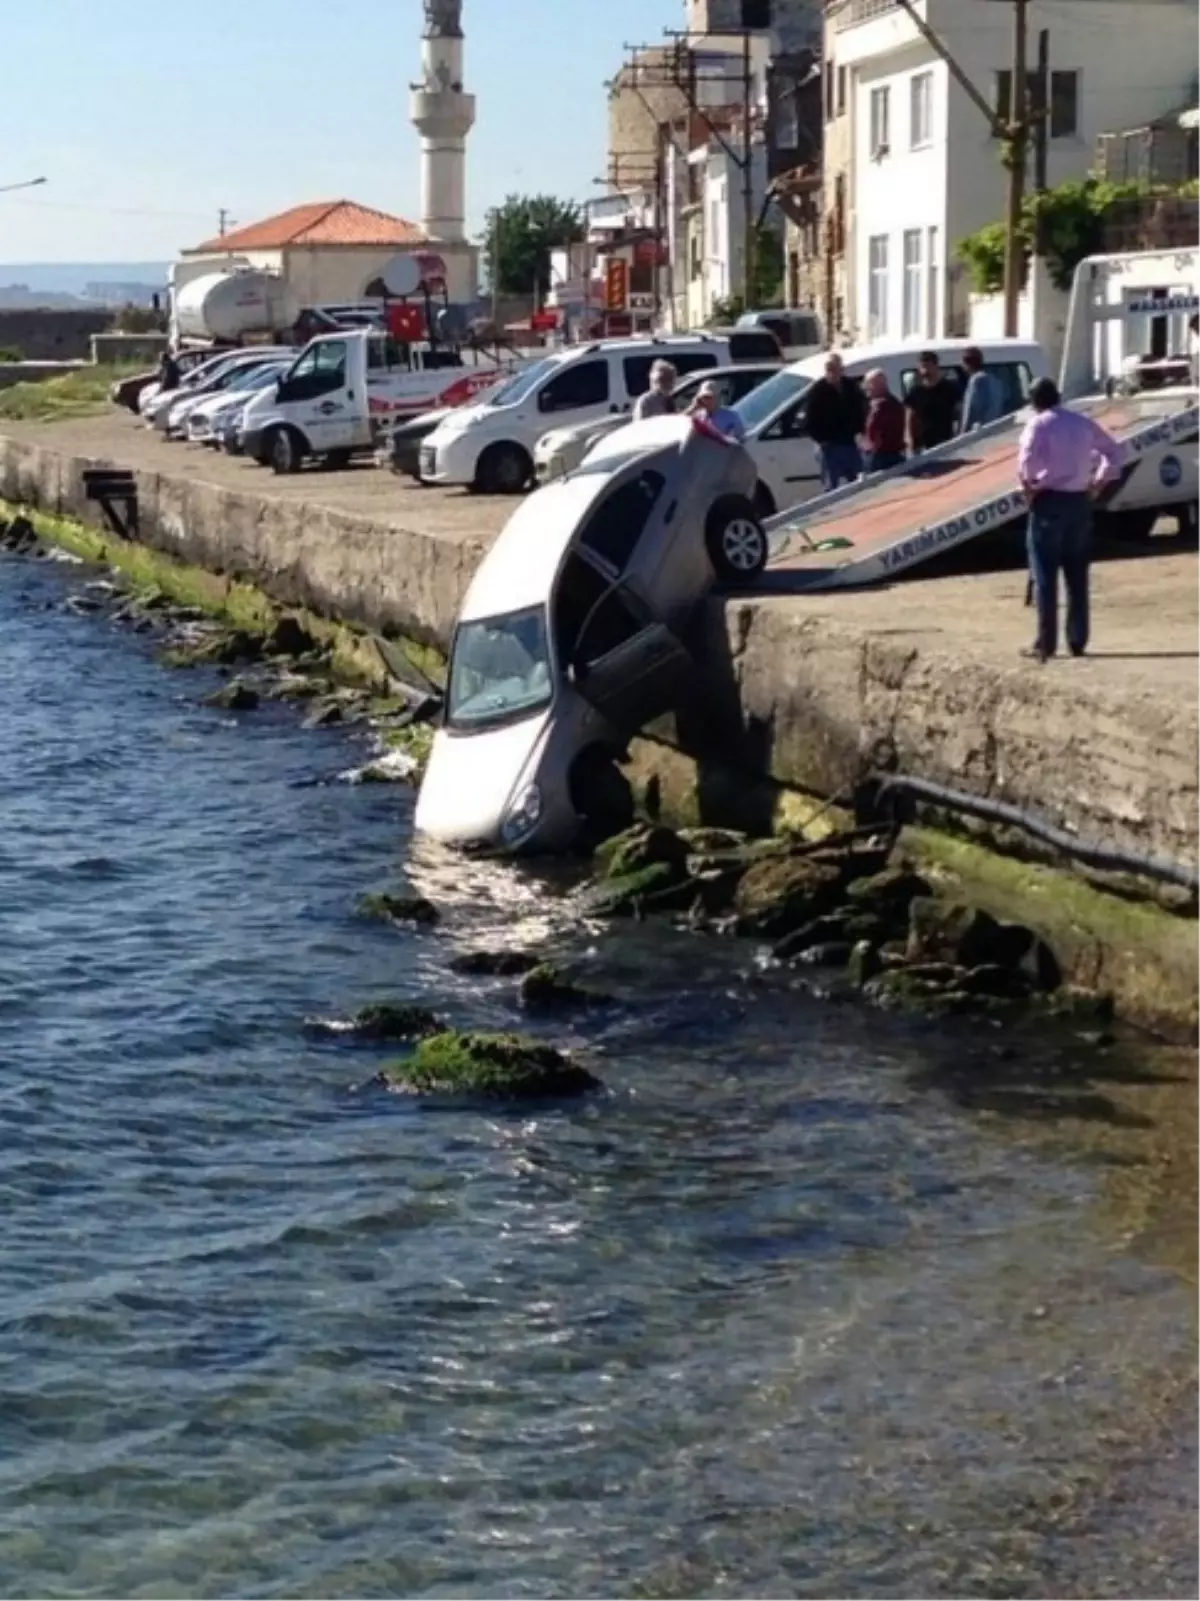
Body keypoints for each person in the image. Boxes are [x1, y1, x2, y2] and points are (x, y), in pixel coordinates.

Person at [1017, 376, 1122, 663]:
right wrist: (1098, 482)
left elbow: (1026, 467)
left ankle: (1046, 643)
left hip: (1049, 499)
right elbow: (1114, 451)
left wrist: (1030, 491)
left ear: (1034, 401)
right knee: (1077, 573)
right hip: (1078, 500)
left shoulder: (1037, 424)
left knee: (1045, 574)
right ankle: (1077, 639)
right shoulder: (1081, 422)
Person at [806, 351, 867, 491]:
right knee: (830, 486)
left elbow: (860, 410)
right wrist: (821, 440)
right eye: (829, 368)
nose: (832, 372)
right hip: (829, 447)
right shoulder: (817, 391)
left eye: (835, 368)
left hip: (850, 443)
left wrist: (860, 431)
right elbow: (810, 420)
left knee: (859, 482)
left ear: (842, 369)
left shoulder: (850, 387)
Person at [904, 350, 959, 454]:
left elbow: (960, 413)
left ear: (936, 366)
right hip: (923, 447)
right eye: (922, 367)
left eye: (928, 366)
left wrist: (959, 435)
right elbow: (909, 419)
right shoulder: (915, 392)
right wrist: (909, 440)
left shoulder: (949, 389)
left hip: (946, 443)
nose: (925, 371)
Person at [862, 368, 906, 473]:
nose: (866, 388)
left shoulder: (880, 406)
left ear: (879, 385)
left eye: (868, 384)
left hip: (880, 457)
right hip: (895, 453)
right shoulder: (895, 402)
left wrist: (870, 449)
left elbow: (873, 432)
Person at [960, 346, 1004, 432]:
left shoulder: (976, 380)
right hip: (994, 429)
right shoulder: (994, 380)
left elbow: (970, 410)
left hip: (979, 431)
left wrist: (962, 433)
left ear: (967, 363)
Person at [690, 379, 745, 443]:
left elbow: (740, 440)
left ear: (718, 397)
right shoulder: (697, 416)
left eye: (709, 397)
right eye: (704, 397)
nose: (706, 401)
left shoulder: (731, 416)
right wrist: (693, 408)